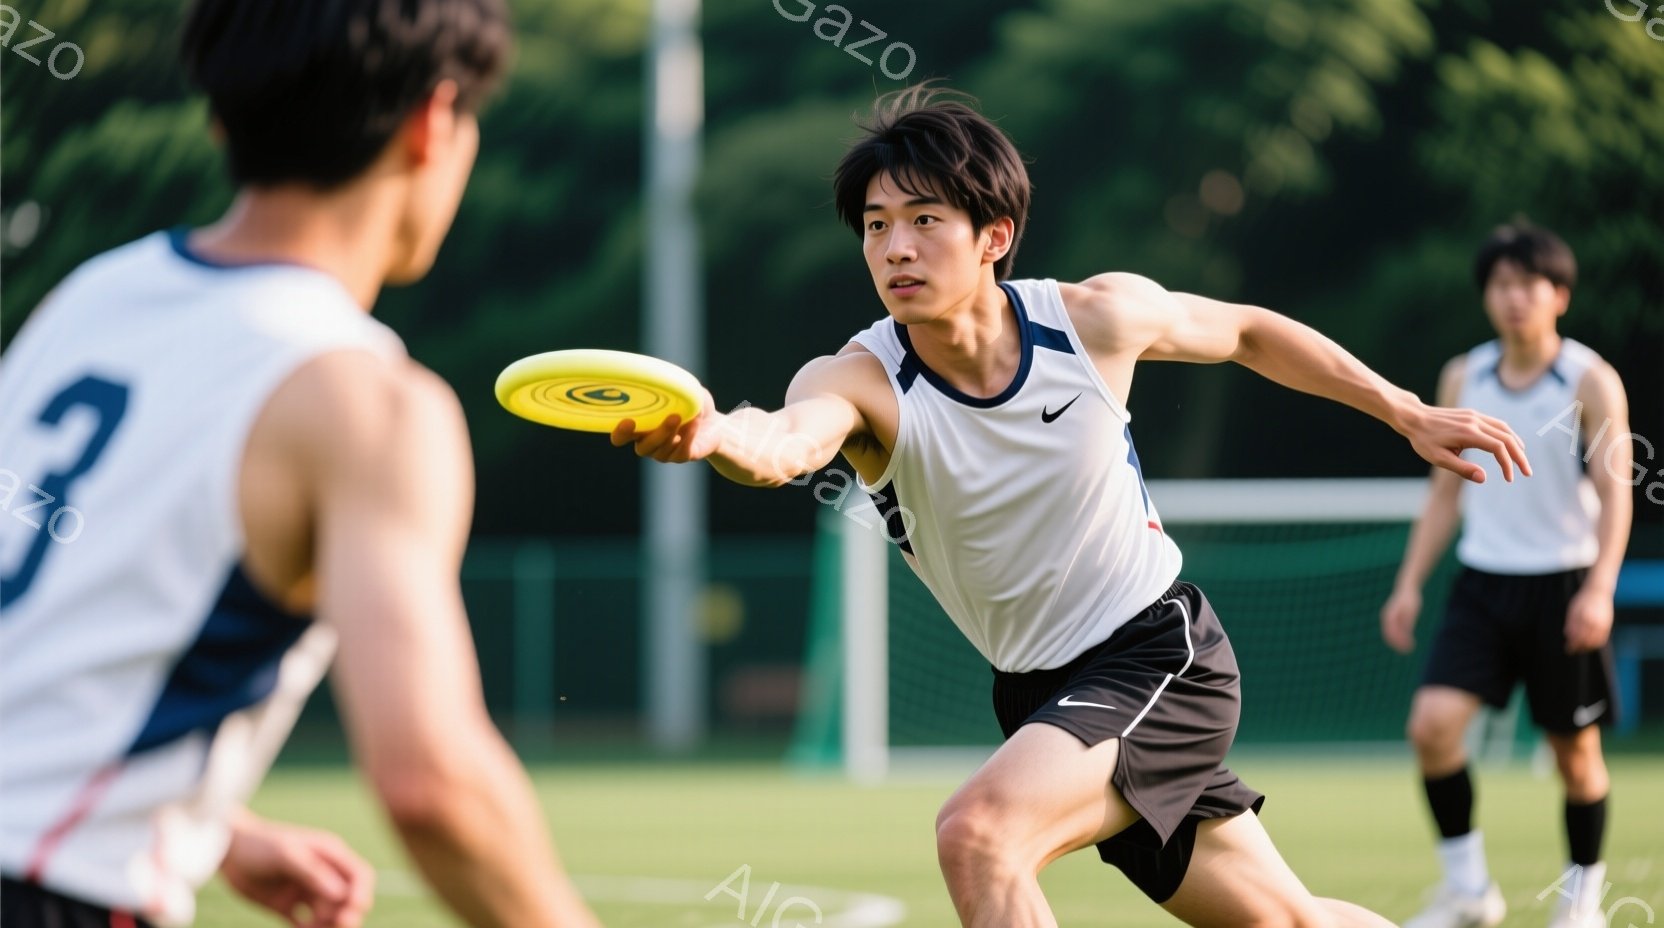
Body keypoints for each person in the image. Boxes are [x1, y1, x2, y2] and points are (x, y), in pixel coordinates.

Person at [613, 84, 1529, 928]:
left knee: (977, 834)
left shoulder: (1092, 321)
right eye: (876, 225)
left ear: (994, 235)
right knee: (1289, 921)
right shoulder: (858, 379)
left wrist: (1405, 411)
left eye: (924, 220)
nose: (895, 248)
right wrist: (715, 435)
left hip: (1159, 654)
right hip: (1039, 691)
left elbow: (1249, 332)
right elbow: (784, 443)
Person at [0, 2, 600, 926]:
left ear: (221, 114)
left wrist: (211, 825)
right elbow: (431, 784)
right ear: (434, 119)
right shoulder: (368, 402)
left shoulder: (90, 301)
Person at [1381, 223, 1632, 928]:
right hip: (1482, 586)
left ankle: (1582, 902)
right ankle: (1469, 892)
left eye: (1528, 284)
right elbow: (1444, 492)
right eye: (1500, 285)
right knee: (1431, 727)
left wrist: (1600, 589)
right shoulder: (1465, 377)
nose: (1514, 297)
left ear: (1559, 295)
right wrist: (1408, 583)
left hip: (1564, 585)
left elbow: (1616, 492)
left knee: (1575, 756)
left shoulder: (1588, 380)